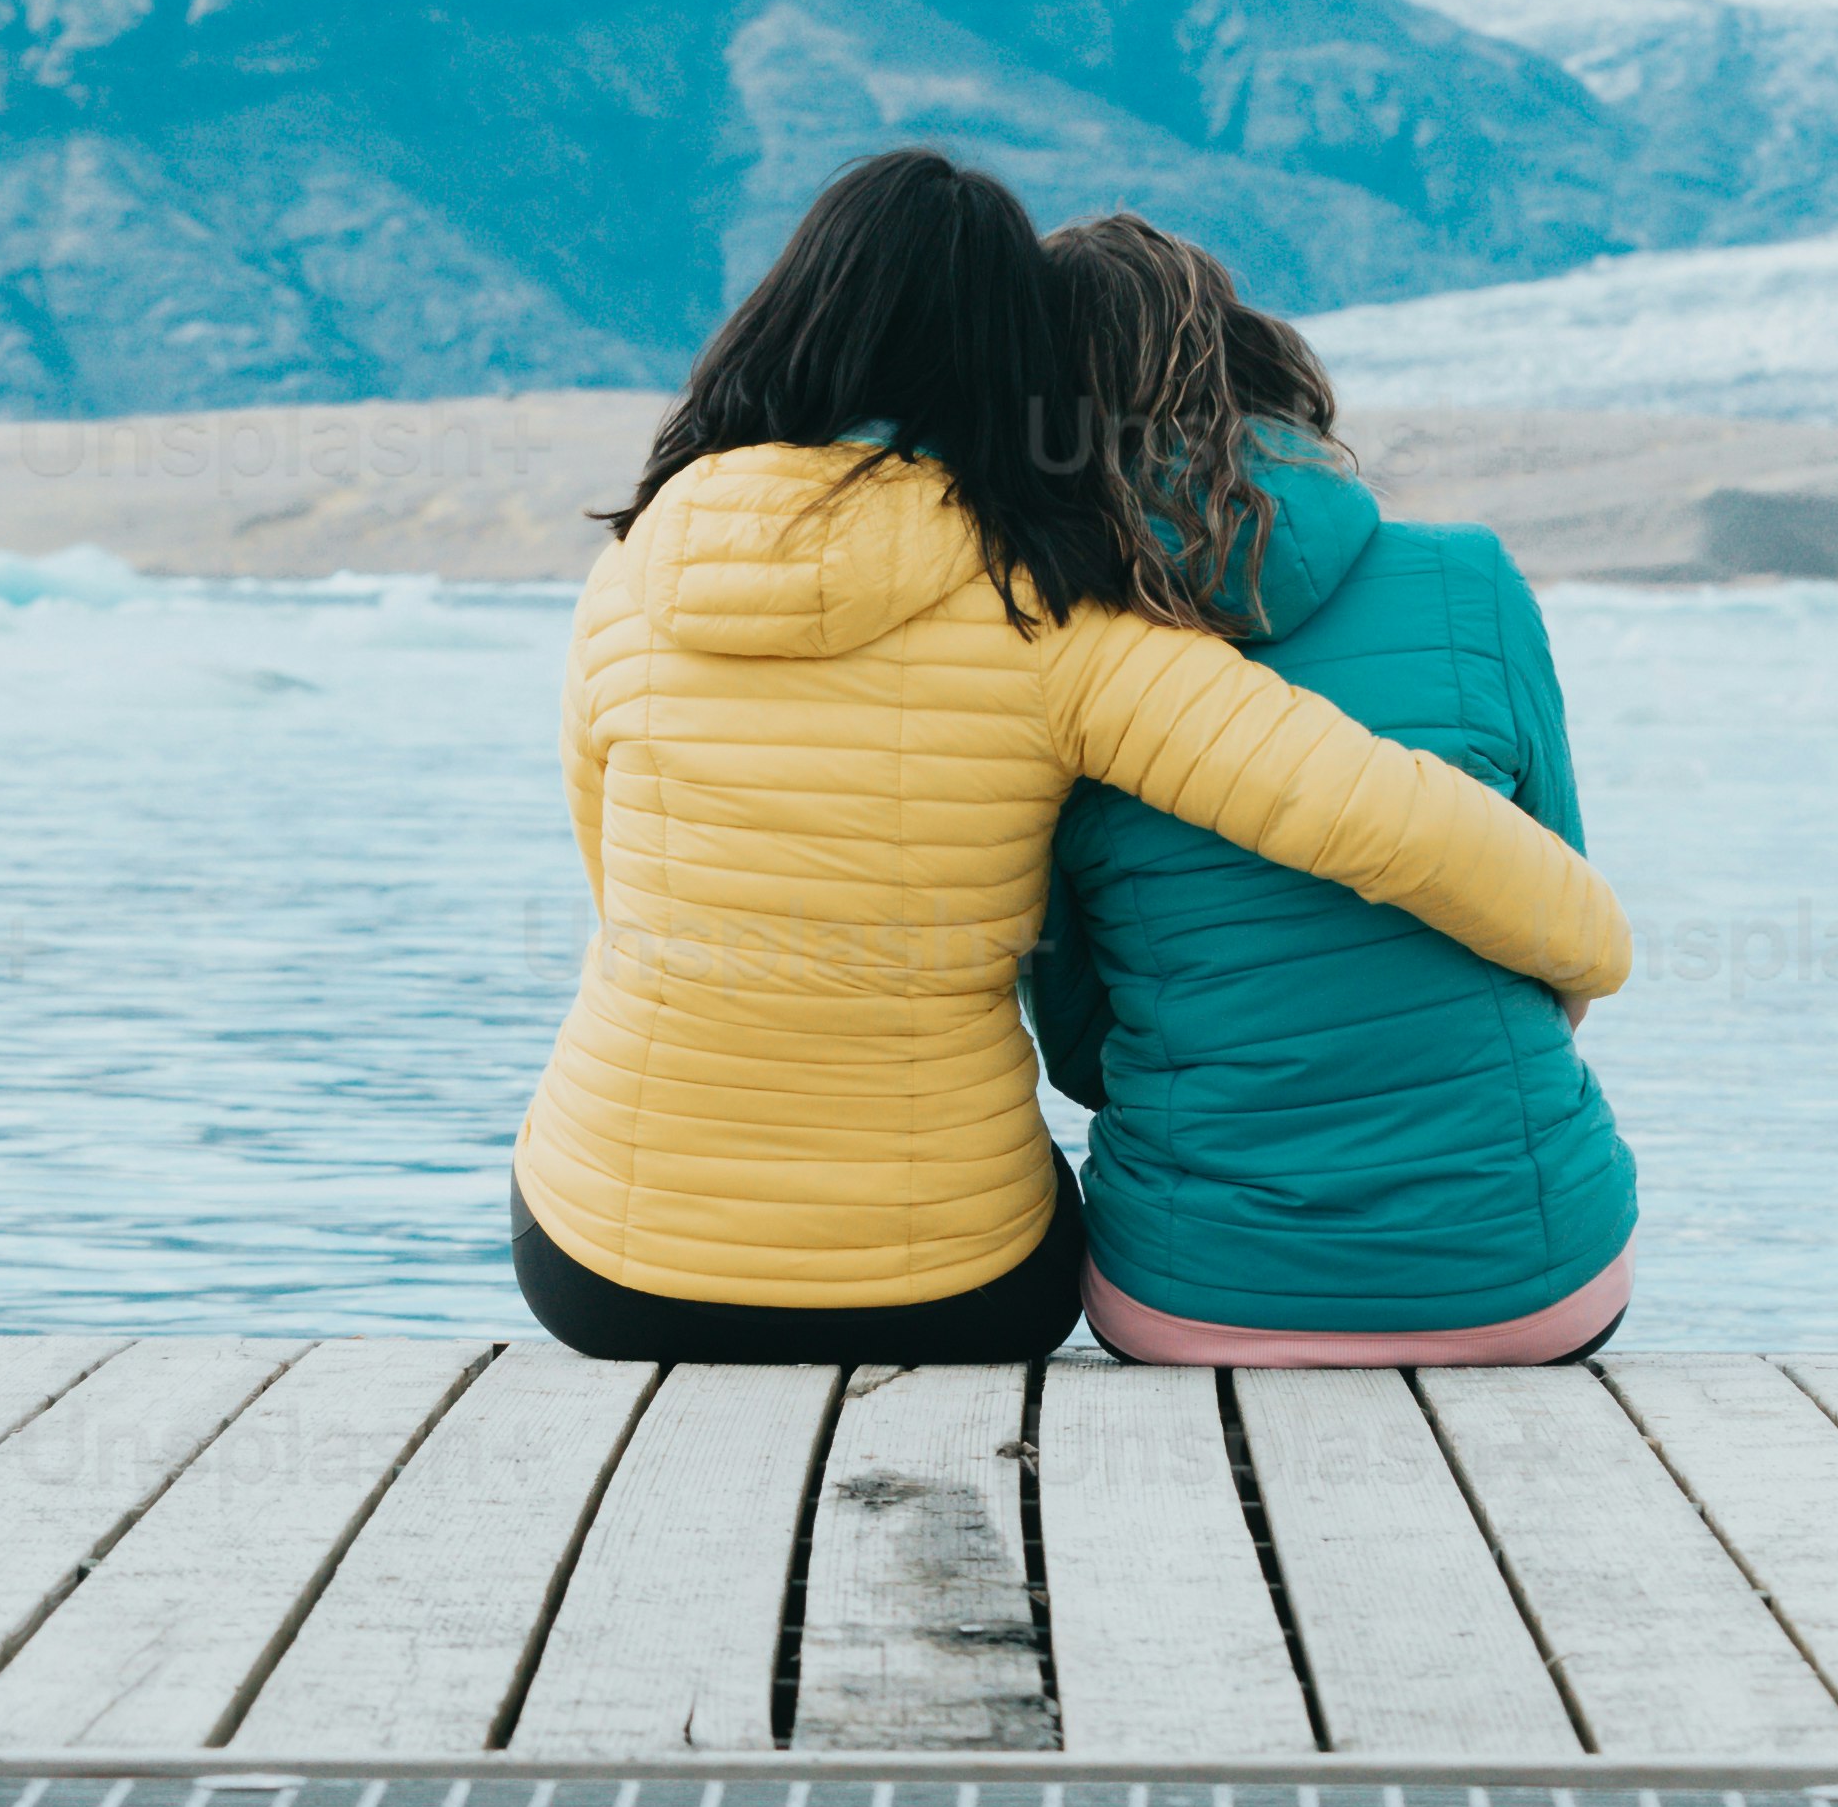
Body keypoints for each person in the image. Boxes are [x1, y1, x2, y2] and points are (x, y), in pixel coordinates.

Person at [513, 148, 1629, 1361]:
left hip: (602, 1270)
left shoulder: (627, 578)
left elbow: (612, 885)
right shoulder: (1050, 615)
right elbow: (1382, 820)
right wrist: (1591, 949)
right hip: (943, 1290)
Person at [1023, 213, 1639, 1365]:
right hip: (1530, 1277)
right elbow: (1551, 926)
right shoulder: (1471, 580)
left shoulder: (1049, 638)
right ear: (1256, 364)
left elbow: (1078, 1047)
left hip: (1190, 1293)